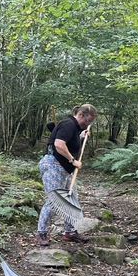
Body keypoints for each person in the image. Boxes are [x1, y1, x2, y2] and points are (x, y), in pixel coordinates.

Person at [37, 104, 97, 246]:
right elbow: (59, 144)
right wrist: (73, 161)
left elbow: (70, 143)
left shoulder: (75, 128)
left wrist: (81, 136)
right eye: (87, 121)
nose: (87, 124)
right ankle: (41, 233)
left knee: (71, 199)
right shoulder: (68, 124)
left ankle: (70, 232)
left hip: (65, 169)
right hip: (54, 165)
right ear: (80, 115)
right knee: (54, 201)